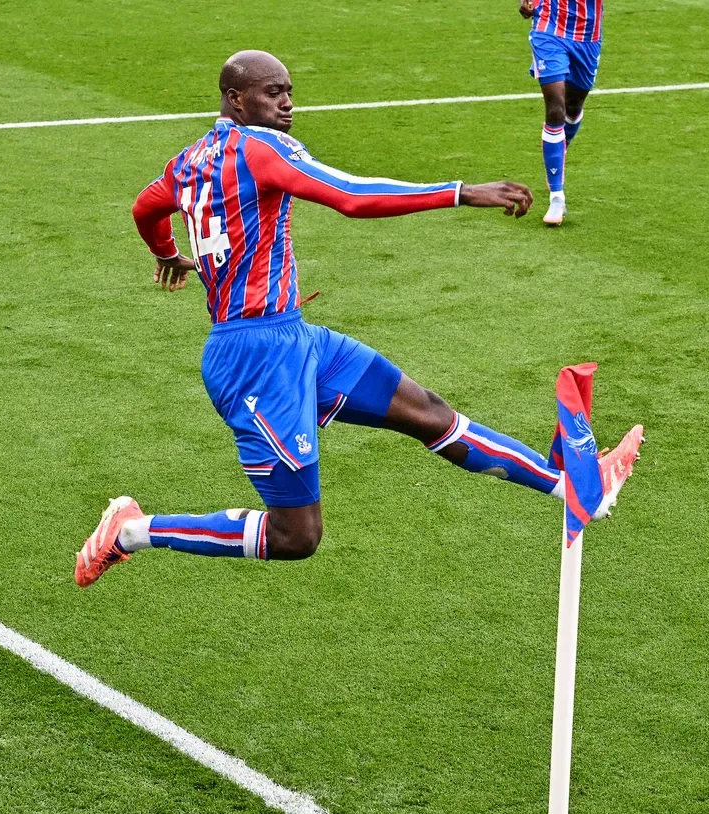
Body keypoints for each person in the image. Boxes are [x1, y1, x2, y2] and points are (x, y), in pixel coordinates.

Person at [74, 50, 642, 586]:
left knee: (428, 412)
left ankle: (575, 488)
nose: (288, 105)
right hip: (256, 361)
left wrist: (166, 253)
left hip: (295, 338)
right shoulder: (259, 149)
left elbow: (146, 207)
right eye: (273, 94)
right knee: (297, 535)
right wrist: (460, 192)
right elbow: (350, 194)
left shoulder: (187, 162)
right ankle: (130, 531)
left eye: (291, 93)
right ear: (236, 99)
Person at [519, 0, 603, 225]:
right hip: (548, 27)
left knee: (573, 108)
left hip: (587, 35)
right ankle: (557, 196)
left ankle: (557, 152)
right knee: (556, 108)